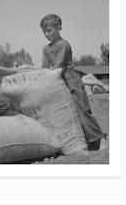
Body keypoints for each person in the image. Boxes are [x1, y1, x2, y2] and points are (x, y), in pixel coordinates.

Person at [39, 14, 107, 150]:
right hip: (59, 82)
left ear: (59, 28)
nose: (47, 34)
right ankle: (84, 140)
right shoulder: (45, 49)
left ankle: (100, 138)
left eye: (50, 30)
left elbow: (58, 65)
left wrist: (50, 74)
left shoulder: (63, 45)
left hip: (72, 80)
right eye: (44, 32)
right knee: (69, 113)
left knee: (83, 111)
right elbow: (45, 68)